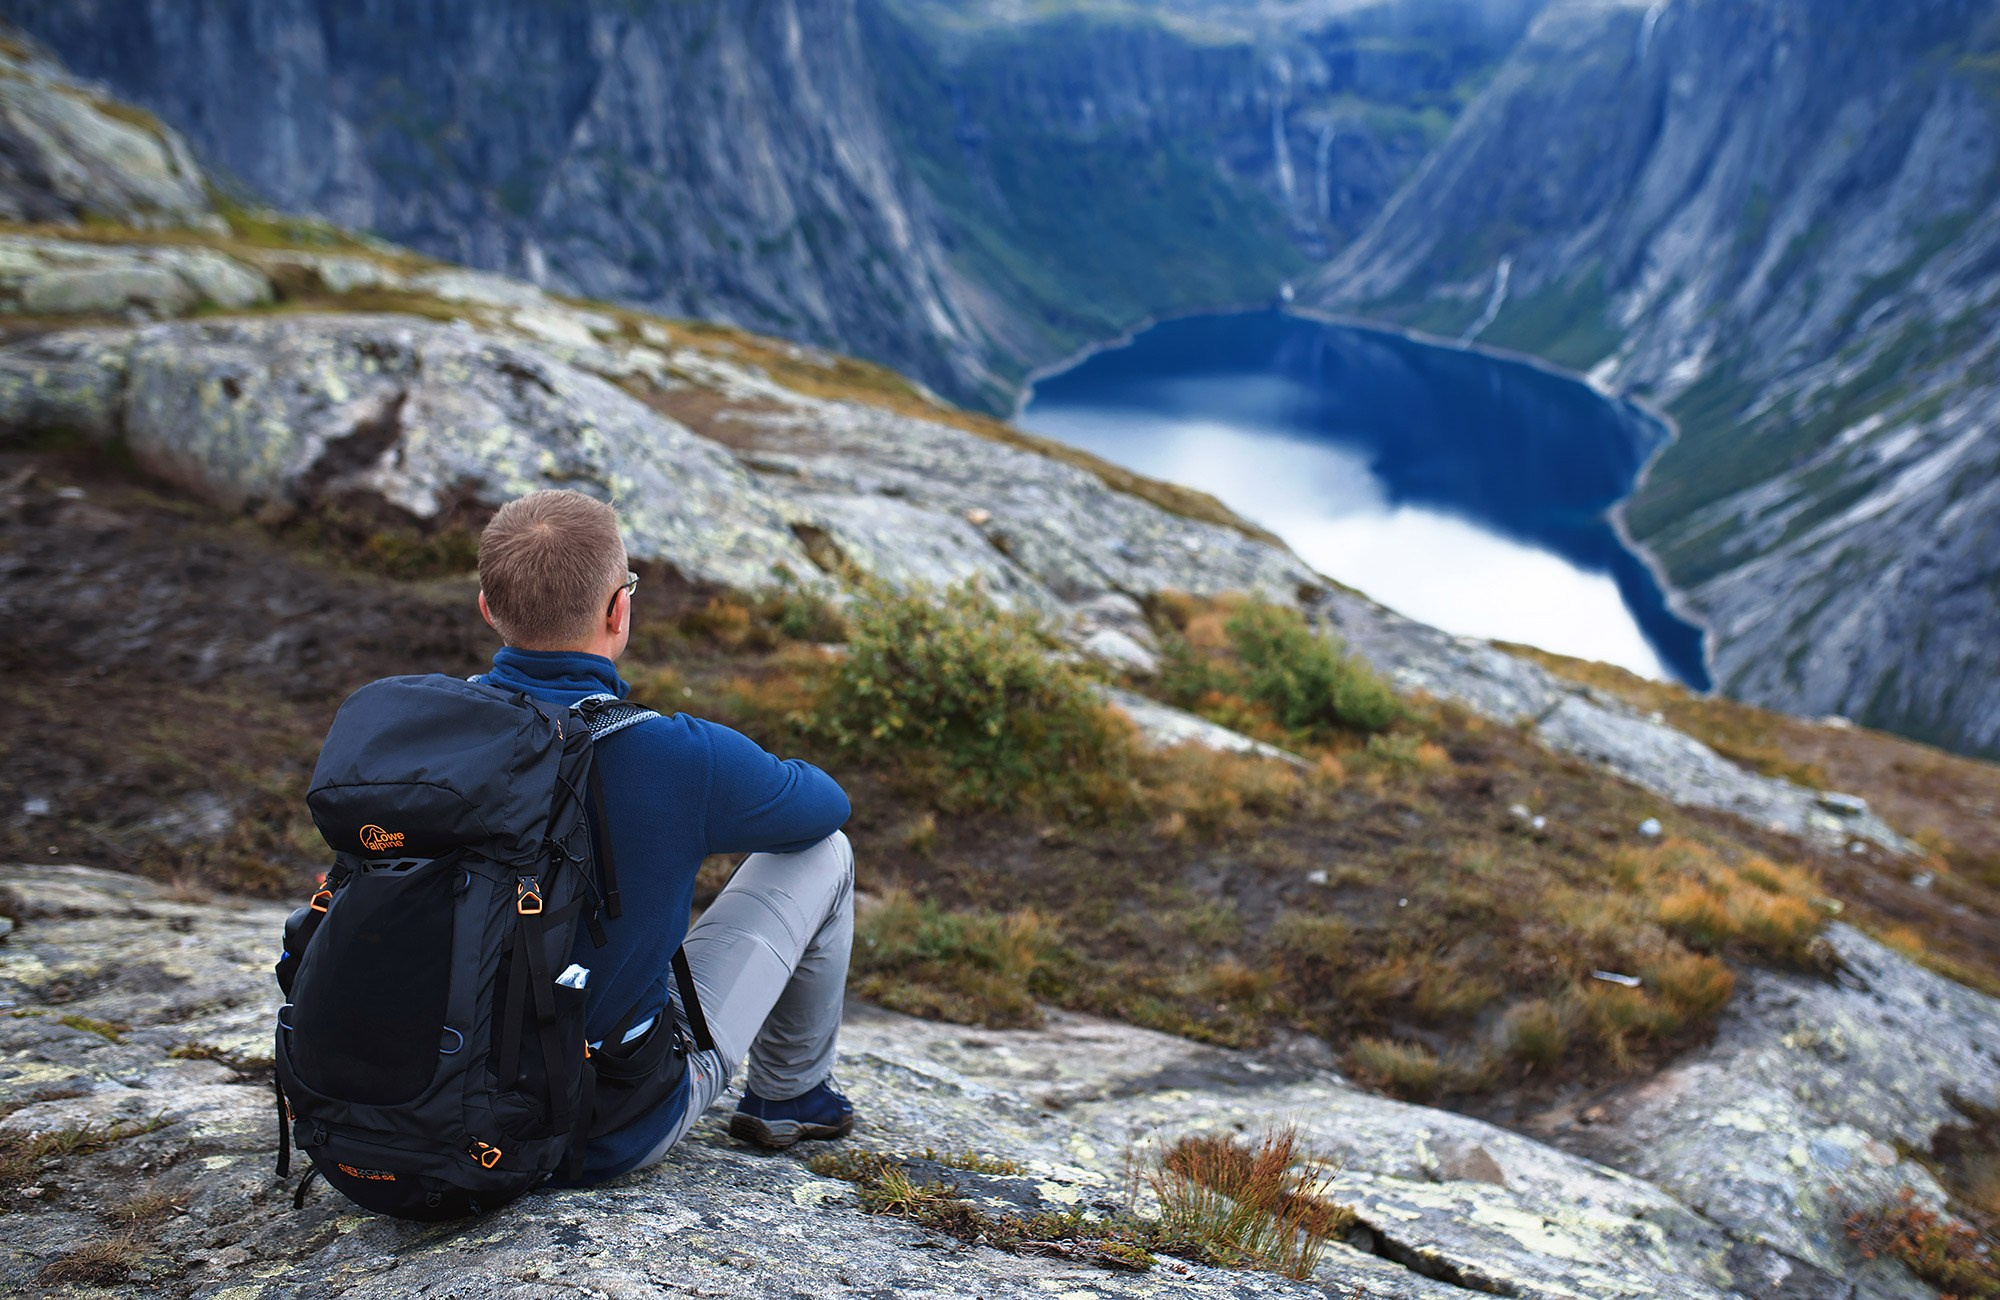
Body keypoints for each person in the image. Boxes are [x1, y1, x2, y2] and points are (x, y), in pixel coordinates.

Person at [471, 488, 856, 1182]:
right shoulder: (676, 755)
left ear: (488, 609)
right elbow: (826, 806)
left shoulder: (414, 734)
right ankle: (791, 1095)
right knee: (828, 853)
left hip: (409, 1110)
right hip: (598, 1130)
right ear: (617, 610)